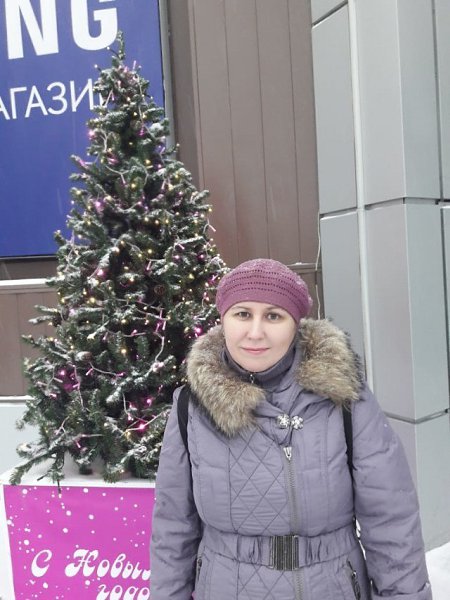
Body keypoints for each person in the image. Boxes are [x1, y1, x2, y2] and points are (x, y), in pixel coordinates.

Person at [150, 258, 432, 599]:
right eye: (243, 314)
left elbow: (391, 522)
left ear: (295, 324)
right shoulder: (191, 407)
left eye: (273, 316)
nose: (256, 332)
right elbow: (173, 528)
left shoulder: (344, 399)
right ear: (223, 319)